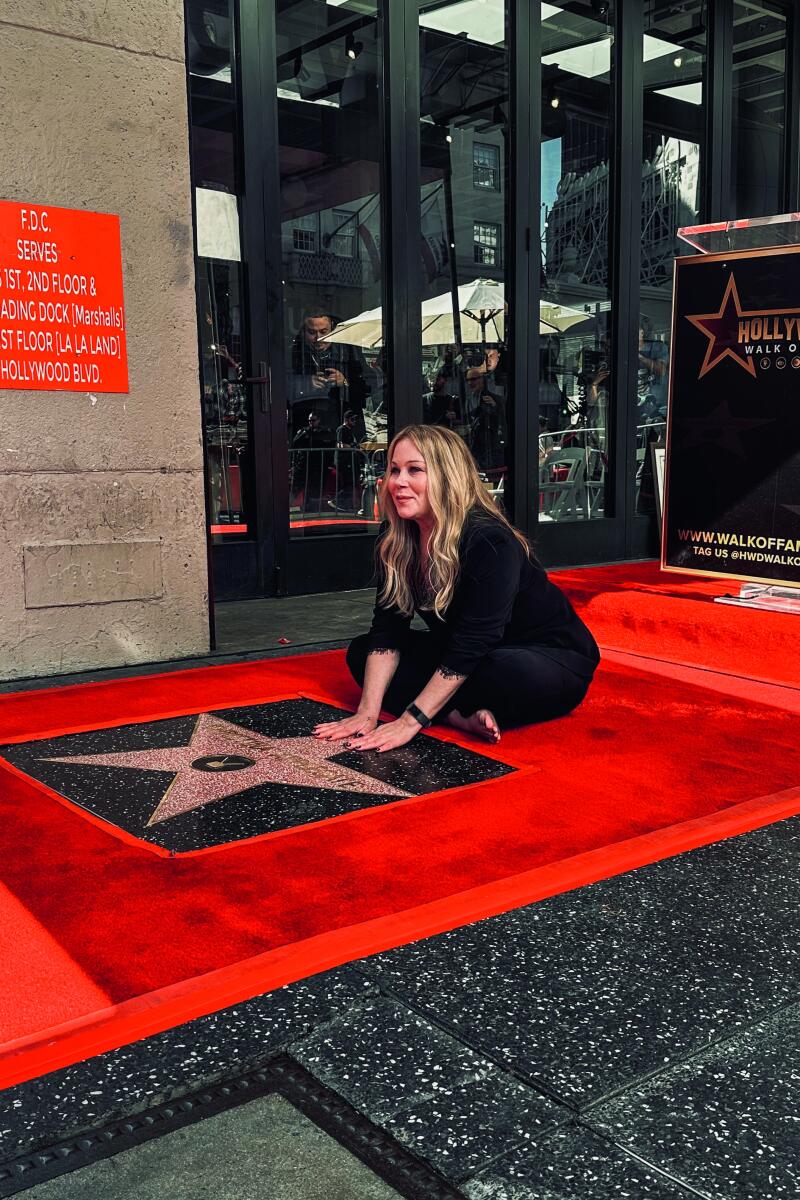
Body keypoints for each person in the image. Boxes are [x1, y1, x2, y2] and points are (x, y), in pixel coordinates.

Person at [313, 424, 600, 752]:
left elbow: (474, 643)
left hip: (547, 658)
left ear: (447, 476)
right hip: (467, 652)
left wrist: (409, 722)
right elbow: (387, 630)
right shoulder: (395, 538)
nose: (398, 482)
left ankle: (436, 707)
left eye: (414, 470)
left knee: (497, 670)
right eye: (394, 470)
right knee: (362, 652)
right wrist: (367, 713)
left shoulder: (489, 540)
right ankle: (454, 715)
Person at [289, 308, 368, 437]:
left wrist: (344, 382)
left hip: (341, 419)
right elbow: (279, 387)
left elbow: (368, 386)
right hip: (306, 423)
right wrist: (305, 382)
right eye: (312, 332)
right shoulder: (293, 353)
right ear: (303, 332)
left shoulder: (349, 351)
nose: (318, 338)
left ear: (332, 329)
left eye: (324, 332)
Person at [291, 411, 335, 511]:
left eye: (313, 420)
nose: (311, 422)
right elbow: (295, 443)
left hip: (318, 464)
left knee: (316, 486)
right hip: (305, 464)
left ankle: (314, 507)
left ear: (318, 420)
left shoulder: (324, 431)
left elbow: (330, 442)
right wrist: (304, 433)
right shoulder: (304, 431)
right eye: (309, 420)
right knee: (303, 485)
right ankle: (305, 506)